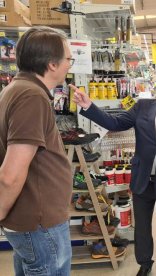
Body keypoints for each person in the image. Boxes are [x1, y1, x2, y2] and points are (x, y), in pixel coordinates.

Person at [73, 69, 156, 276]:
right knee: (141, 227)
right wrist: (89, 106)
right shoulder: (142, 106)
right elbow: (115, 123)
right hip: (142, 180)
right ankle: (145, 262)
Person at [0, 26, 73, 275]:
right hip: (40, 223)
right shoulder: (31, 97)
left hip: (33, 220)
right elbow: (11, 174)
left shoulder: (17, 89)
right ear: (52, 64)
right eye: (68, 59)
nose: (69, 64)